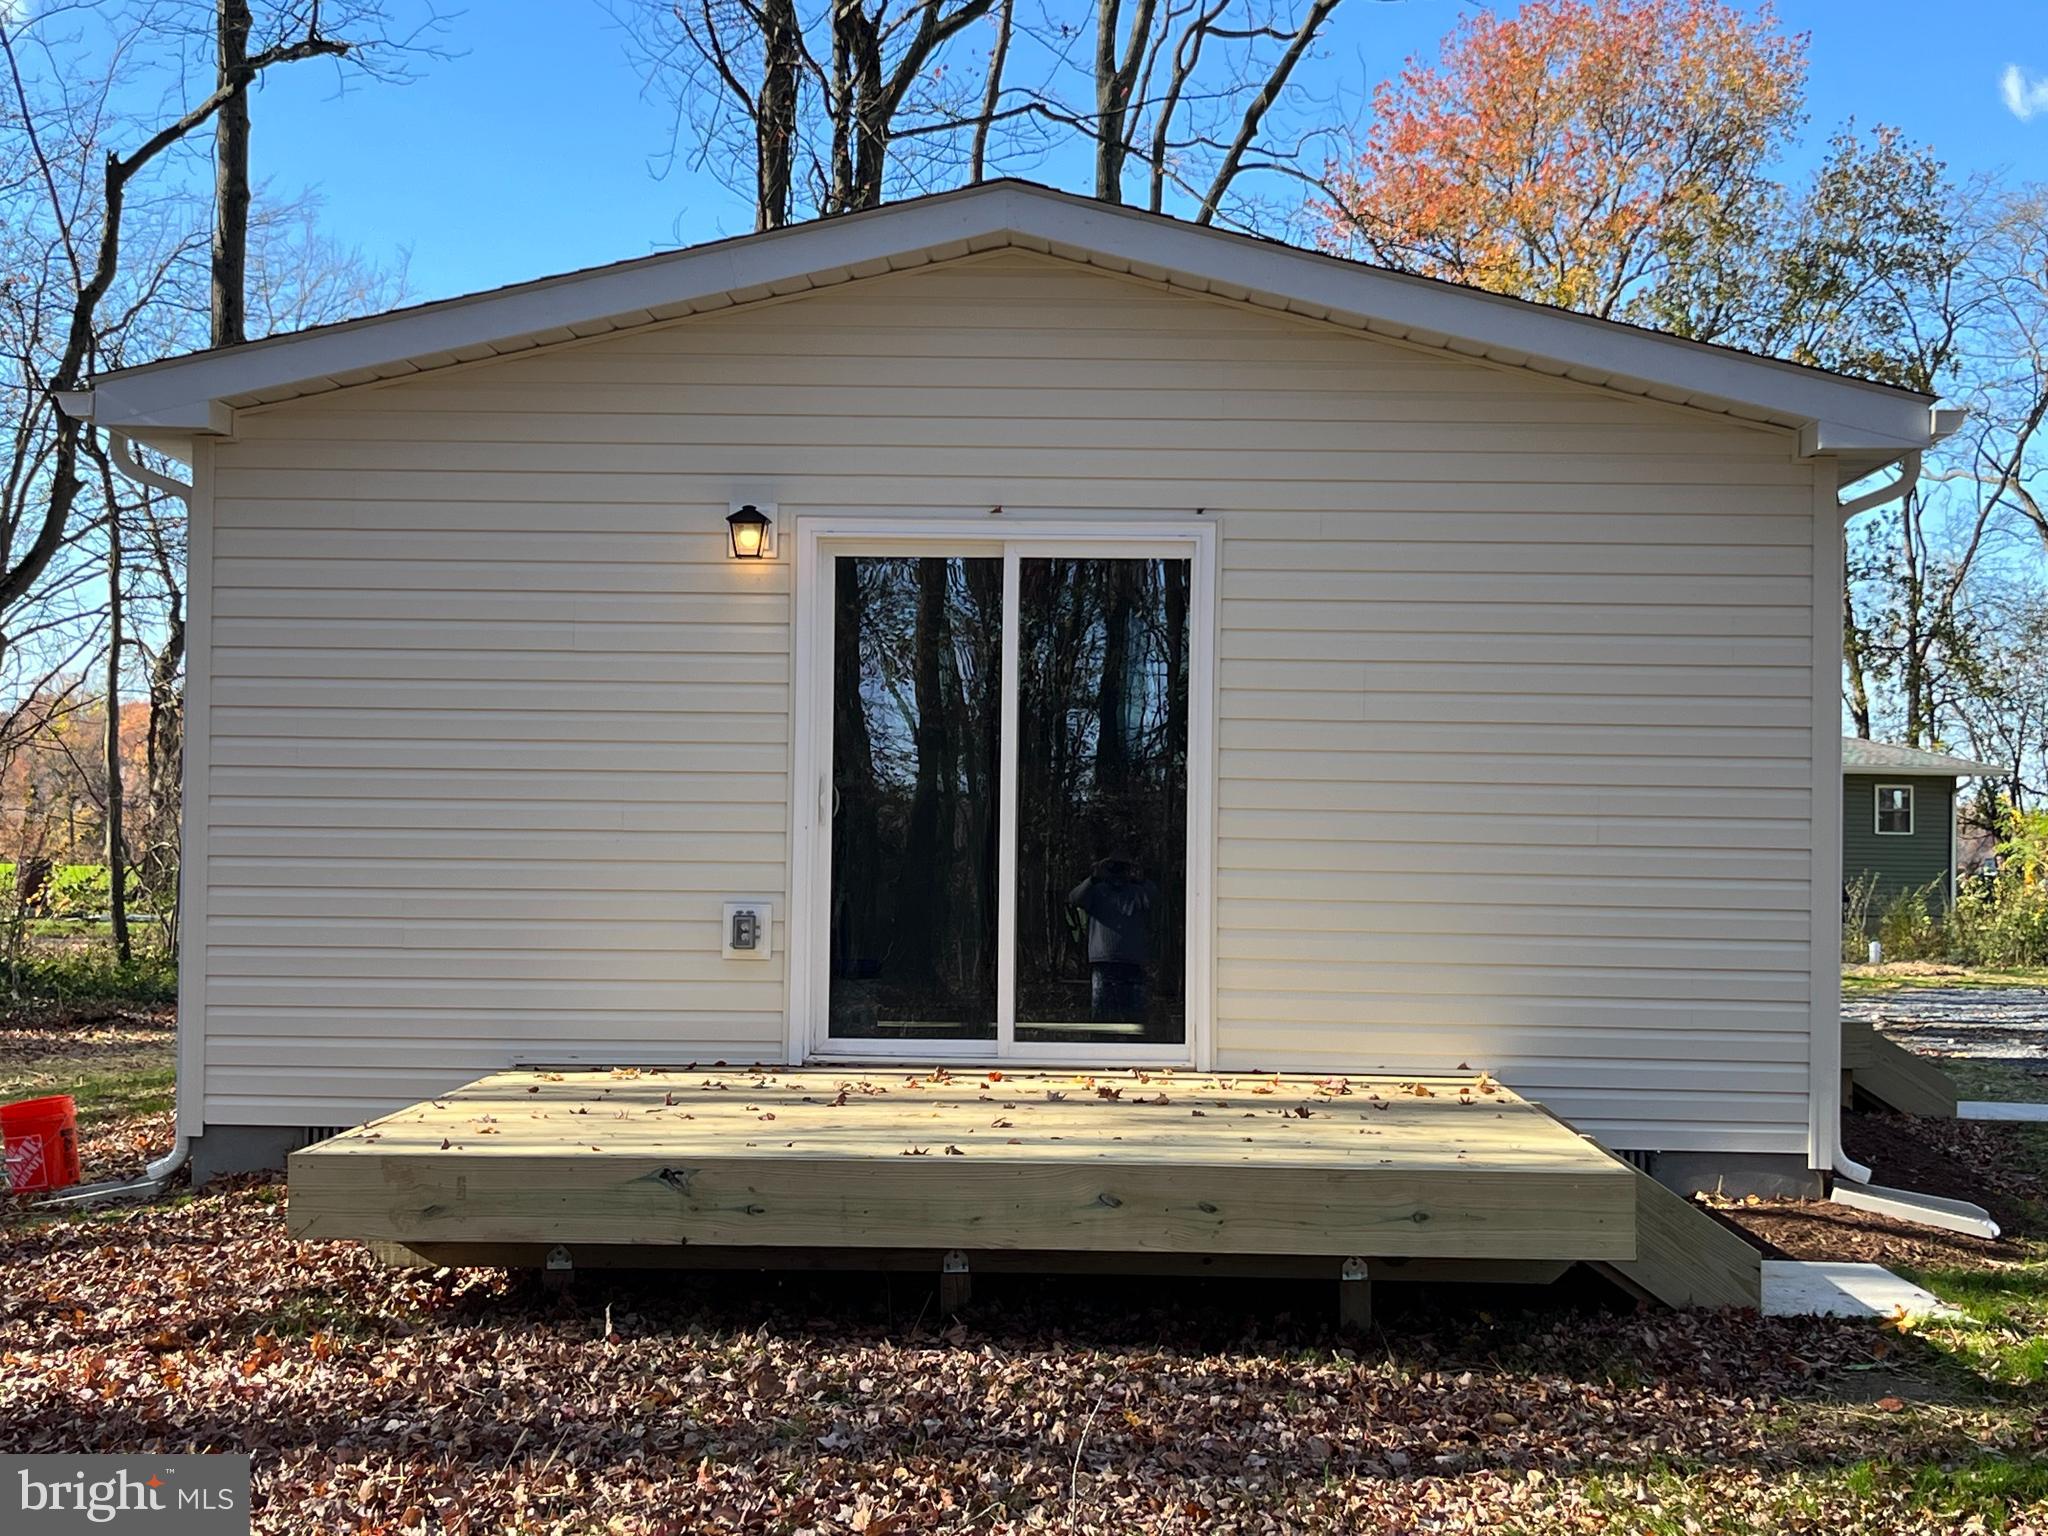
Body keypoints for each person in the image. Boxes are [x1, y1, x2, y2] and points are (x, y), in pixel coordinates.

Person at [1066, 854, 1160, 1023]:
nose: (1117, 872)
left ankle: (1132, 1047)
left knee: (1134, 1019)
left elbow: (1155, 898)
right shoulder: (1096, 891)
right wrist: (1093, 878)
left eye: (1121, 868)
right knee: (1101, 1018)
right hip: (1104, 963)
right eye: (1112, 867)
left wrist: (1140, 878)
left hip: (1132, 964)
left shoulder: (1136, 891)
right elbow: (1073, 899)